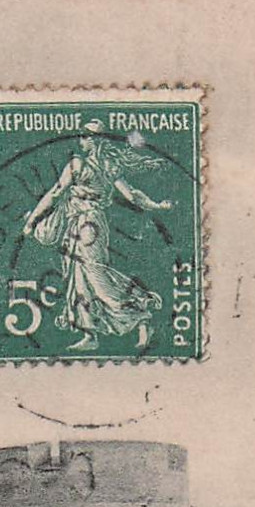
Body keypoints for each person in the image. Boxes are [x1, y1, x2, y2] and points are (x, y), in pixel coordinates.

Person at [21, 120, 172, 352]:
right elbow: (132, 195)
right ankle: (90, 334)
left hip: (87, 226)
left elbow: (55, 193)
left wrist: (32, 221)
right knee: (79, 278)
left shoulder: (78, 165)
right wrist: (156, 205)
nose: (81, 140)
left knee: (96, 277)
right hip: (84, 225)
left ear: (95, 140)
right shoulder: (109, 165)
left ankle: (140, 314)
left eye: (85, 136)